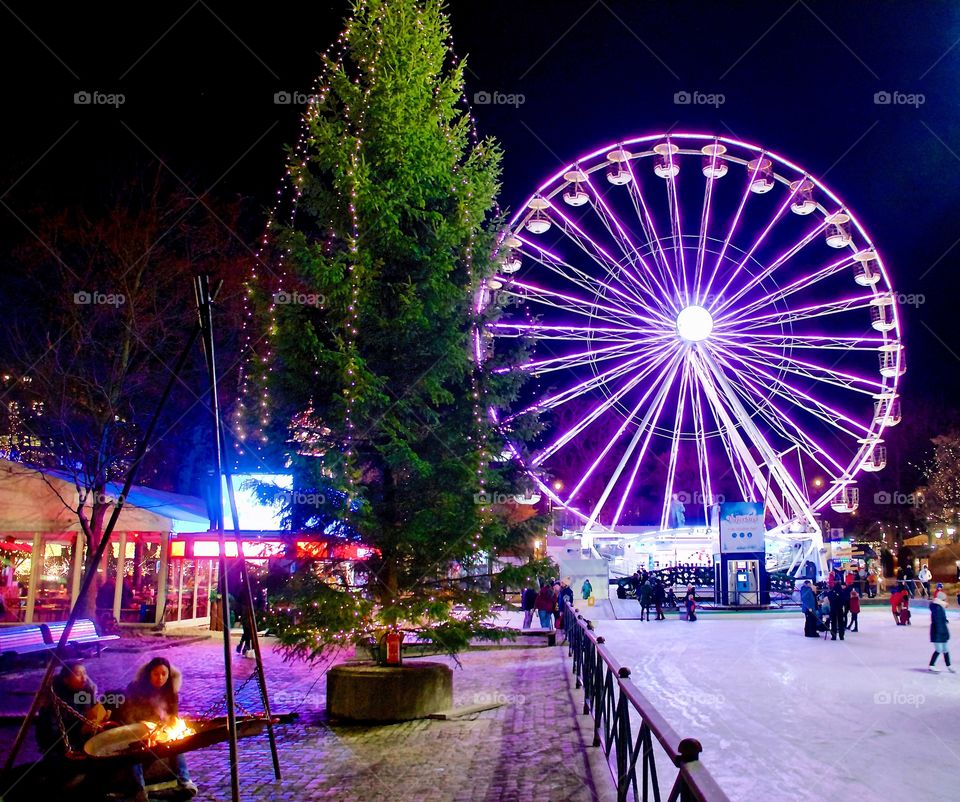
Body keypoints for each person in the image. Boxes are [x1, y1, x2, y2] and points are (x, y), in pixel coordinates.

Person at [119, 657, 197, 800]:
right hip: (137, 731)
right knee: (134, 752)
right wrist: (143, 726)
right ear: (149, 673)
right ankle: (139, 789)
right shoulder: (135, 688)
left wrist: (167, 725)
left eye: (164, 674)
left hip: (160, 731)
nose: (160, 678)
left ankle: (185, 781)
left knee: (176, 743)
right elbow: (127, 713)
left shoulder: (170, 691)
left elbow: (173, 715)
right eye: (156, 674)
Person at [36, 662, 108, 762]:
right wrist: (81, 730)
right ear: (66, 680)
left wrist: (99, 716)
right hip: (62, 750)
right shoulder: (52, 702)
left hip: (84, 741)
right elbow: (51, 738)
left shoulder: (85, 690)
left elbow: (94, 709)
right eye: (78, 674)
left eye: (85, 673)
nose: (84, 678)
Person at [928, 592, 954, 672]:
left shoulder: (939, 606)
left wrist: (944, 620)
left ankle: (949, 665)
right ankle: (931, 665)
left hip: (941, 631)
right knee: (939, 649)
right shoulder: (937, 607)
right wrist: (942, 632)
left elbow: (940, 619)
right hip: (938, 632)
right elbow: (938, 621)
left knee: (945, 649)